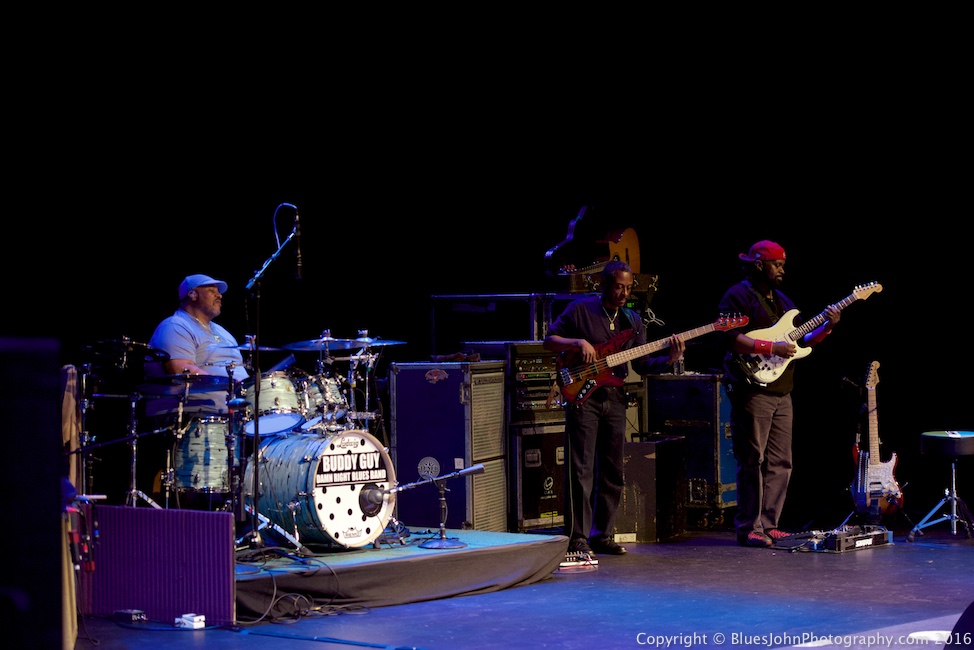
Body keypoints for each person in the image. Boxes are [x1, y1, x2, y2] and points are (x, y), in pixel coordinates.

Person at [544, 260, 685, 557]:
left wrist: (670, 358)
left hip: (615, 398)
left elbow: (643, 364)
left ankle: (602, 534)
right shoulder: (581, 309)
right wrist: (577, 341)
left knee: (612, 470)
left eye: (628, 287)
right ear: (604, 284)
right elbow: (549, 340)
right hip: (583, 396)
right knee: (581, 470)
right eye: (619, 287)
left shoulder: (633, 321)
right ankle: (577, 537)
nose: (624, 293)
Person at [717, 241, 841, 548]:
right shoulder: (737, 296)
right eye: (777, 264)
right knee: (753, 459)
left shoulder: (783, 301)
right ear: (759, 265)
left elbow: (800, 343)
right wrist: (769, 347)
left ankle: (770, 524)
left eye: (783, 264)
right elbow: (729, 337)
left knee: (781, 461)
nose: (782, 269)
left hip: (782, 388)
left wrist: (825, 327)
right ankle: (749, 527)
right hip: (752, 388)